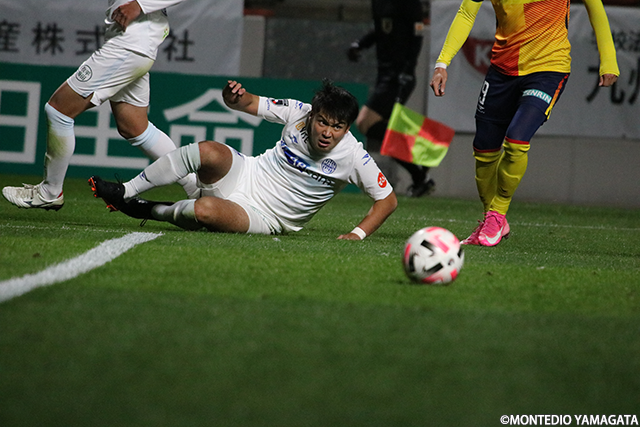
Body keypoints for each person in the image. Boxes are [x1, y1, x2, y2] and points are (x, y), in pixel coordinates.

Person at [88, 80, 398, 240]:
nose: (328, 132)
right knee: (209, 150)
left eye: (338, 127)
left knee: (204, 210)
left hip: (267, 217)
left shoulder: (354, 155)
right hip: (246, 173)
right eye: (323, 122)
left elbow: (387, 200)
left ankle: (149, 210)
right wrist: (233, 98)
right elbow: (246, 102)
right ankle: (126, 190)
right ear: (312, 115)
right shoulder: (297, 112)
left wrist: (357, 234)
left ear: (347, 128)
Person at [429, 0, 619, 246]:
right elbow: (466, 13)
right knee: (484, 149)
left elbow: (595, 7)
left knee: (517, 138)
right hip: (502, 70)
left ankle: (497, 213)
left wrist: (609, 59)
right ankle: (492, 219)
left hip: (548, 69)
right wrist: (442, 64)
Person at [2, 0, 197, 211]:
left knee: (59, 110)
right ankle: (196, 188)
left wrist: (139, 4)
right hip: (133, 42)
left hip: (131, 44)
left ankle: (49, 192)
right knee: (135, 127)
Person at [347, 0, 434, 198]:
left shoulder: (409, 3)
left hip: (398, 77)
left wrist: (408, 69)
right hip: (385, 75)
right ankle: (421, 169)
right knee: (383, 129)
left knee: (365, 123)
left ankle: (421, 155)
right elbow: (381, 30)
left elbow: (418, 31)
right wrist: (360, 44)